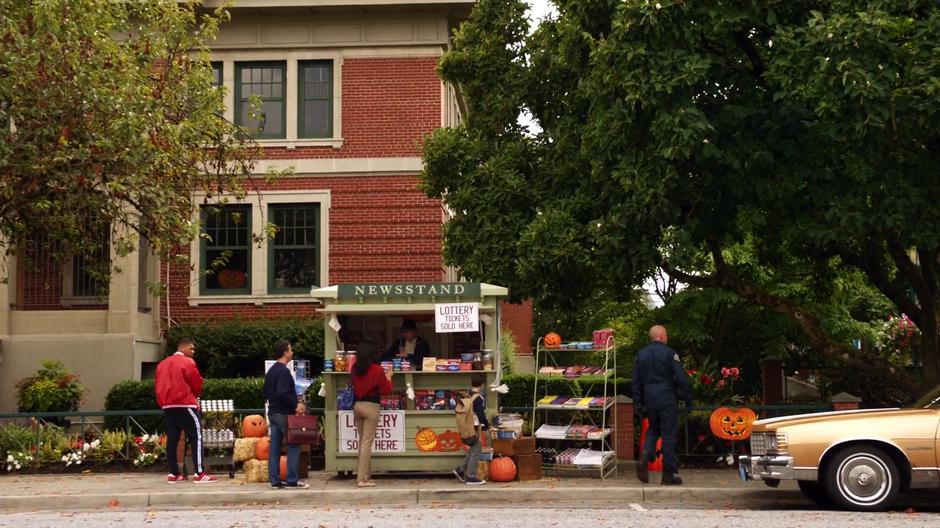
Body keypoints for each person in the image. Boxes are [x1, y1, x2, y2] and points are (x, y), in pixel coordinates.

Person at [632, 325, 693, 486]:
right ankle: (668, 475)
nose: (667, 338)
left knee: (653, 429)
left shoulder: (641, 354)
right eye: (666, 335)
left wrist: (638, 403)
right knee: (668, 435)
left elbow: (636, 382)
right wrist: (688, 399)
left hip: (649, 399)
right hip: (667, 397)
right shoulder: (670, 353)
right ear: (661, 336)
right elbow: (680, 378)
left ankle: (644, 457)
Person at [154, 337, 217, 483]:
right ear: (183, 348)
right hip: (185, 403)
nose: (193, 352)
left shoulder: (162, 364)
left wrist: (163, 402)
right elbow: (196, 382)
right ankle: (199, 473)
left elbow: (158, 385)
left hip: (168, 405)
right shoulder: (188, 362)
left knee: (173, 438)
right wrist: (194, 396)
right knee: (196, 436)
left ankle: (173, 473)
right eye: (192, 348)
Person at [263, 339, 309, 489]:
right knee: (294, 444)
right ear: (285, 352)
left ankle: (275, 480)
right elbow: (283, 392)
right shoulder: (283, 371)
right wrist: (295, 405)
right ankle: (292, 479)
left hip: (273, 412)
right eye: (290, 349)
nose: (292, 352)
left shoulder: (271, 371)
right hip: (284, 412)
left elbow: (265, 392)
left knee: (275, 447)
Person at [351, 340, 393, 487]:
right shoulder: (377, 370)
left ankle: (366, 475)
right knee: (367, 443)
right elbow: (386, 390)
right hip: (371, 407)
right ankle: (362, 479)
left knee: (362, 442)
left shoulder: (355, 369)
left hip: (357, 405)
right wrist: (389, 378)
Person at [454, 373, 489, 485]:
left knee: (473, 450)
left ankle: (461, 469)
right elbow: (481, 415)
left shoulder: (467, 395)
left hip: (465, 427)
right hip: (474, 428)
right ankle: (471, 476)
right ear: (482, 385)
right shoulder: (478, 398)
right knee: (476, 451)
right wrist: (487, 425)